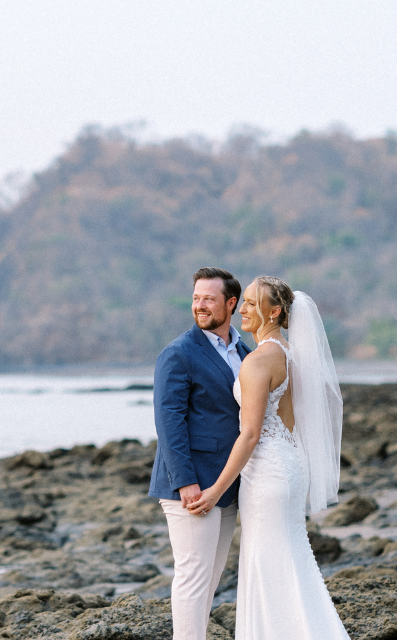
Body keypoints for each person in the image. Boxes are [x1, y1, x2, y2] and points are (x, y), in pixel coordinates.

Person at [186, 276, 350, 639]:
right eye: (242, 302)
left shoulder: (258, 361)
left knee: (268, 564)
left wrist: (214, 491)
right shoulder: (289, 354)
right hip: (290, 464)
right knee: (290, 560)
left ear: (274, 311)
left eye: (250, 303)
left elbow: (250, 434)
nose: (241, 309)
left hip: (267, 475)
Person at [148, 267, 251, 640]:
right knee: (192, 576)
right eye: (195, 298)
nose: (200, 306)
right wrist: (186, 482)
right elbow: (168, 422)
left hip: (228, 485)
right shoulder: (178, 353)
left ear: (231, 303)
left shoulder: (244, 350)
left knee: (210, 577)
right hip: (191, 486)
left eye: (208, 298)